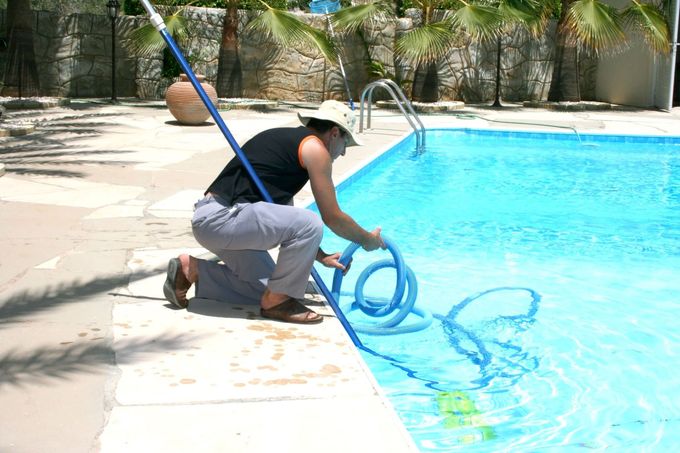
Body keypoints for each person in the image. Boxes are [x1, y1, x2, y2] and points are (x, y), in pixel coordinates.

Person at [163, 100, 385, 324]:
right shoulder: (315, 149)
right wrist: (366, 239)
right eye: (346, 142)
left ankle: (190, 270)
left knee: (268, 287)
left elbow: (283, 221)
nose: (344, 152)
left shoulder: (287, 149)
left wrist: (321, 256)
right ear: (334, 133)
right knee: (310, 223)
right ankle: (278, 303)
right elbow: (332, 217)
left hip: (216, 222)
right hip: (222, 218)